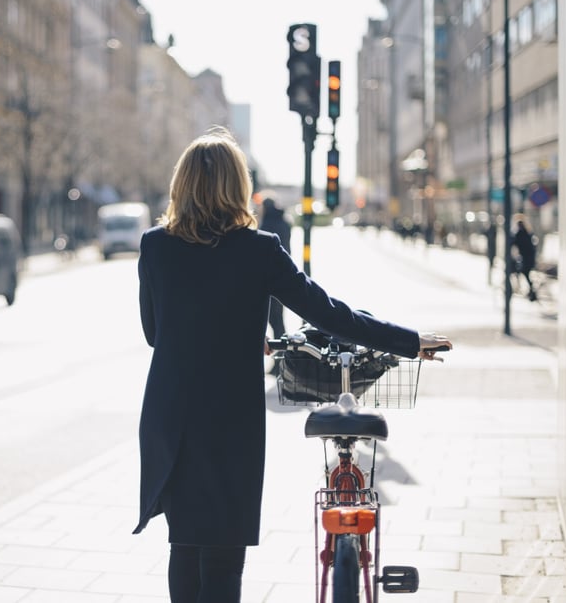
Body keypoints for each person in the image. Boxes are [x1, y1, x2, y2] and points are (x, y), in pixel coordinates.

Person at [133, 127, 452, 603]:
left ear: (181, 185)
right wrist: (406, 340)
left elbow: (157, 334)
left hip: (170, 418)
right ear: (237, 184)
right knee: (223, 553)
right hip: (229, 424)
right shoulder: (258, 249)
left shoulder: (155, 245)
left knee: (185, 544)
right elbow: (328, 312)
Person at [256, 191, 293, 340]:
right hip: (283, 271)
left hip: (267, 276)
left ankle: (281, 352)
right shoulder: (284, 222)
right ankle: (282, 350)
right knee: (278, 316)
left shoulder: (266, 225)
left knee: (273, 318)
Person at [511, 214, 538, 301]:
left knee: (523, 273)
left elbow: (513, 242)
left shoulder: (520, 234)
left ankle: (530, 291)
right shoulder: (528, 233)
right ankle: (530, 291)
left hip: (525, 258)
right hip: (528, 258)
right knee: (524, 273)